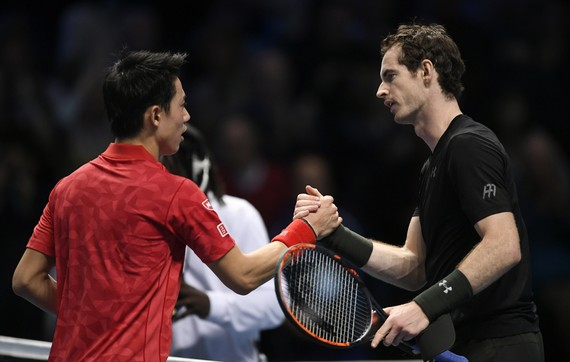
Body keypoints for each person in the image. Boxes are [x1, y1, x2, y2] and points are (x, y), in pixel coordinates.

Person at [11, 49, 341, 361]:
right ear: (156, 115)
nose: (187, 116)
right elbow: (244, 276)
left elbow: (26, 280)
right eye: (181, 106)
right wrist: (306, 229)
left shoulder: (67, 188)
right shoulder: (175, 193)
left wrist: (91, 316)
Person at [294, 23, 543, 362]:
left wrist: (423, 307)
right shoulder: (433, 164)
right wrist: (334, 234)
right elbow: (413, 266)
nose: (380, 91)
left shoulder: (468, 145)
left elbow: (504, 246)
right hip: (464, 346)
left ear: (426, 71)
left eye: (390, 76)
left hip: (502, 344)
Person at [162, 125, 284, 362]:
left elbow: (274, 305)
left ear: (197, 168)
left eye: (165, 164)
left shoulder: (239, 214)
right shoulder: (146, 219)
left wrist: (210, 305)